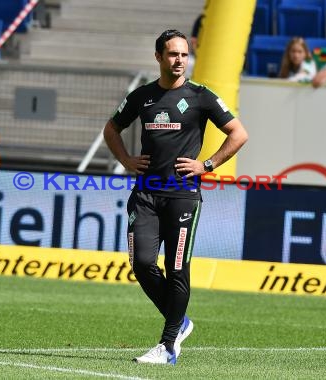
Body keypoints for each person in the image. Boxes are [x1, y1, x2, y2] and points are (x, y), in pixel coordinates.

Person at [103, 29, 248, 365]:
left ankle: (167, 346)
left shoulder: (202, 96)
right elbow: (112, 129)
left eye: (183, 54)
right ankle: (180, 321)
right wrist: (126, 161)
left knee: (177, 267)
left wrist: (207, 164)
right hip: (146, 196)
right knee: (141, 264)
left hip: (183, 198)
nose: (179, 60)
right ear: (158, 57)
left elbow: (239, 133)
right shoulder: (142, 97)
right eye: (172, 54)